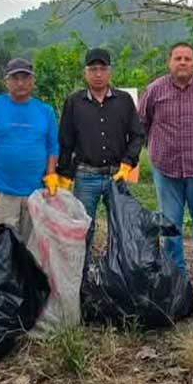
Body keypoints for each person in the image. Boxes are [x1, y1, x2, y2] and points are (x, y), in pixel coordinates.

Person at [139, 42, 193, 293]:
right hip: (165, 167)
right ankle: (174, 272)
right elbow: (142, 123)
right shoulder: (154, 91)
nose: (182, 62)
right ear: (169, 62)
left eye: (187, 58)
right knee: (169, 224)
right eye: (177, 58)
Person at [0, 58, 60, 263]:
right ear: (6, 81)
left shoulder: (45, 111)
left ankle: (25, 293)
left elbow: (52, 146)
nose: (20, 83)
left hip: (35, 193)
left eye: (25, 77)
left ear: (32, 81)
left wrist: (51, 173)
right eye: (15, 78)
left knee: (31, 251)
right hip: (0, 193)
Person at [55, 47, 145, 259]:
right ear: (85, 73)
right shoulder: (74, 102)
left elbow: (137, 134)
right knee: (83, 229)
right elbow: (65, 140)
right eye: (93, 69)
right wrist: (64, 174)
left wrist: (127, 163)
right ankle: (82, 278)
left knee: (122, 228)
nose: (98, 74)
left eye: (102, 69)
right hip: (86, 175)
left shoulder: (123, 101)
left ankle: (119, 273)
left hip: (117, 174)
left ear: (109, 72)